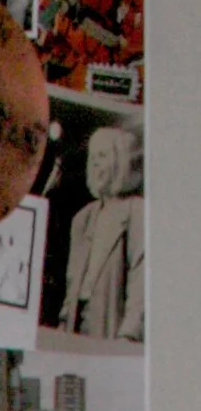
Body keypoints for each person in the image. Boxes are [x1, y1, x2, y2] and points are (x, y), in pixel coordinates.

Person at [61, 122, 145, 343]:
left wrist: (129, 333)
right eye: (92, 157)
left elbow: (141, 279)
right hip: (76, 326)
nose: (95, 163)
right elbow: (72, 284)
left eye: (103, 156)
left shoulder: (137, 212)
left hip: (110, 326)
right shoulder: (84, 217)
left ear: (120, 162)